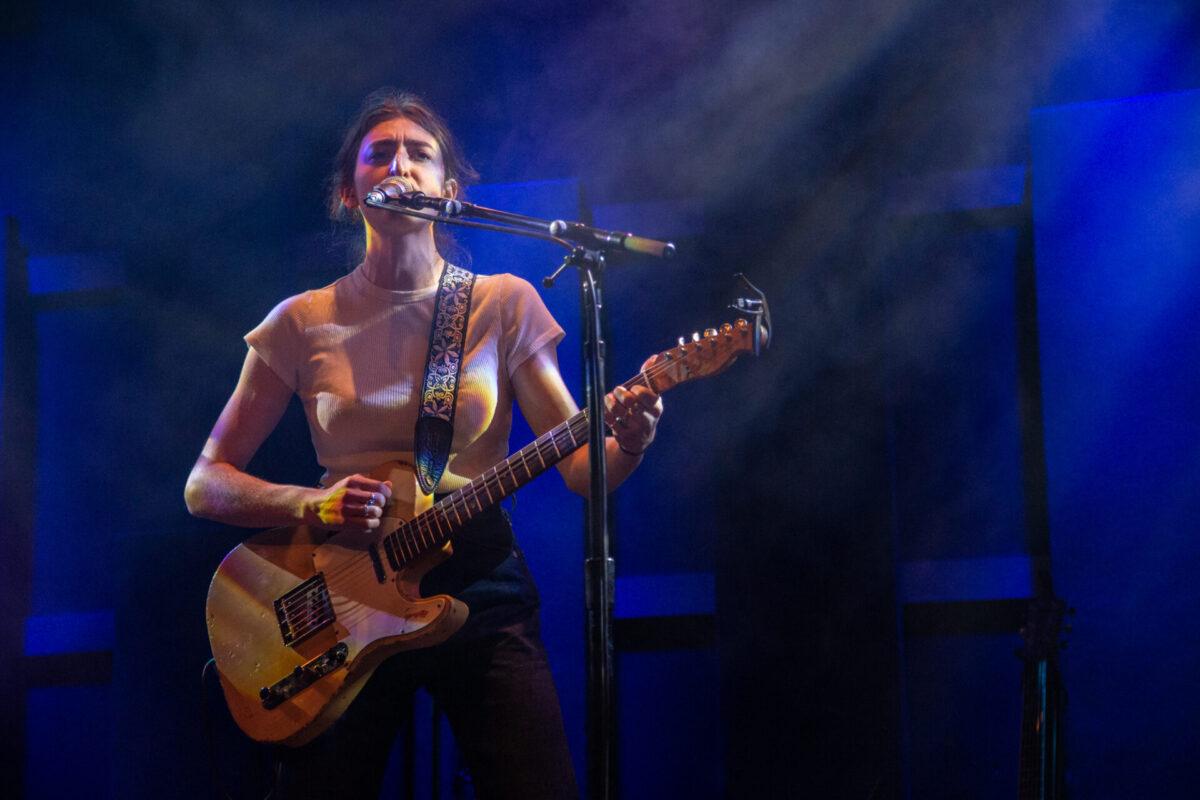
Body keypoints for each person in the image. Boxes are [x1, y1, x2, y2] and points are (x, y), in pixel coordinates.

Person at [183, 88, 662, 799]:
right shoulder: (300, 321)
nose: (399, 166)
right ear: (349, 192)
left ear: (450, 190)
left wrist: (632, 441)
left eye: (420, 154)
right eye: (380, 154)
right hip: (341, 583)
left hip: (477, 570)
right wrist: (312, 505)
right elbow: (205, 484)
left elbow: (581, 470)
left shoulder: (502, 302)